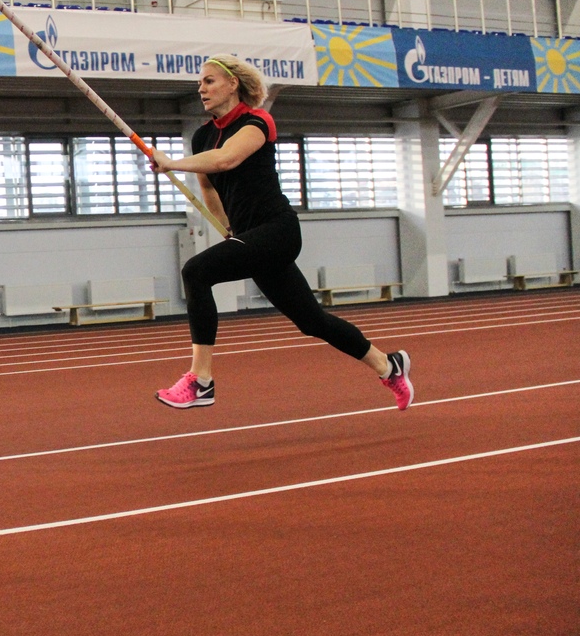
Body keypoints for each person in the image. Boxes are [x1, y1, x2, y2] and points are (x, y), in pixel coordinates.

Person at [150, 54, 414, 411]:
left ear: (232, 83)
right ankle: (388, 365)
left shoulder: (257, 122)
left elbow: (227, 159)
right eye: (200, 83)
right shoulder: (203, 136)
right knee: (312, 321)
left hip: (277, 231)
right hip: (250, 236)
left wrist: (171, 163)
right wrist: (227, 227)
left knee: (195, 272)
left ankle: (201, 380)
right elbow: (209, 186)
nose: (201, 89)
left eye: (209, 81)